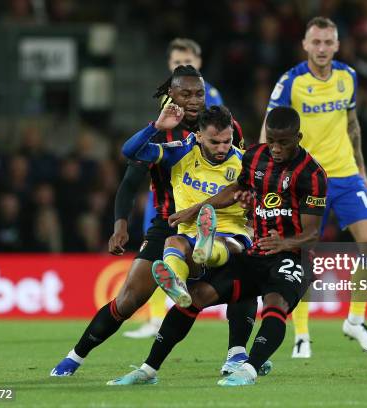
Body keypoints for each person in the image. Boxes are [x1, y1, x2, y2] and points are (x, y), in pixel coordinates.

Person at [50, 66, 257, 377]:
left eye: (198, 93)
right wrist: (120, 222)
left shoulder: (223, 127)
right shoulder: (163, 132)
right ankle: (75, 357)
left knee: (244, 273)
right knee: (130, 298)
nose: (193, 99)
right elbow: (131, 179)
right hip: (168, 222)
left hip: (216, 218)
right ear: (170, 94)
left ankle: (236, 357)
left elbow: (238, 174)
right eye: (185, 93)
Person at [107, 106, 326, 386]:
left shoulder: (312, 174)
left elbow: (312, 233)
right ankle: (147, 370)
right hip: (257, 252)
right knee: (196, 295)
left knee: (275, 304)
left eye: (283, 142)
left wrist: (284, 241)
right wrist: (195, 210)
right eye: (271, 140)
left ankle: (248, 369)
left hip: (292, 256)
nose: (275, 148)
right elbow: (235, 190)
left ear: (298, 137)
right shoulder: (256, 156)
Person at [261, 17, 367, 357]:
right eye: (316, 42)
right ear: (305, 44)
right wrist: (265, 173)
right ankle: (301, 335)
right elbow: (269, 129)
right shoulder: (291, 82)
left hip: (346, 176)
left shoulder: (349, 77)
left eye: (328, 42)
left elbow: (352, 124)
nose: (322, 49)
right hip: (306, 178)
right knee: (299, 255)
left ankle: (355, 320)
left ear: (338, 45)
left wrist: (361, 167)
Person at [123, 37, 238, 339]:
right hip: (164, 191)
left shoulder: (209, 101)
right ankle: (158, 315)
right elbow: (141, 151)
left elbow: (227, 145)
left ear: (198, 64)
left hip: (199, 189)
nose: (178, 65)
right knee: (164, 251)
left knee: (199, 245)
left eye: (184, 60)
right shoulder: (169, 104)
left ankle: (195, 304)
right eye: (174, 62)